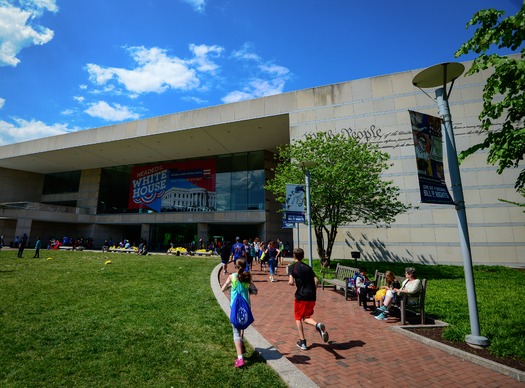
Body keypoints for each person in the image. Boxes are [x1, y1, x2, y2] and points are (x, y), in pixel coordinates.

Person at [288, 247, 329, 350]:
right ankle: (318, 325)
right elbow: (316, 281)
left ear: (294, 256)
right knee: (306, 318)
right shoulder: (308, 267)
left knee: (298, 318)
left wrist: (291, 281)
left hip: (301, 296)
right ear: (302, 256)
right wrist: (312, 291)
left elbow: (291, 282)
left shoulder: (292, 267)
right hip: (312, 296)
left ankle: (302, 342)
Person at [221, 258, 258, 368]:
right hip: (246, 306)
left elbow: (223, 289)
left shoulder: (232, 277)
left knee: (235, 331)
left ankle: (240, 358)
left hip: (235, 307)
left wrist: (229, 286)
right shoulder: (247, 277)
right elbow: (255, 290)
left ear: (235, 267)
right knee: (241, 326)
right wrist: (249, 290)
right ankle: (241, 343)